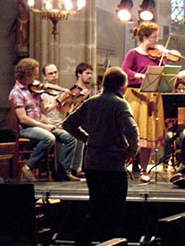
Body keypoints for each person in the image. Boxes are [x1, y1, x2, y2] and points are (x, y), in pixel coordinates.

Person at [63, 67, 139, 244]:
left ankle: (82, 242)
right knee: (115, 209)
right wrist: (132, 151)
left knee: (96, 207)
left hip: (93, 165)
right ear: (122, 86)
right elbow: (132, 130)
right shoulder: (120, 104)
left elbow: (69, 124)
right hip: (113, 165)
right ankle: (110, 241)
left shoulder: (92, 102)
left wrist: (88, 139)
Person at [121, 21, 185, 183]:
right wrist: (141, 76)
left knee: (148, 137)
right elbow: (125, 71)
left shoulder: (157, 57)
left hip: (154, 98)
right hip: (137, 97)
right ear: (144, 37)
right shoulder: (133, 53)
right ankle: (122, 166)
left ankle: (143, 171)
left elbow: (168, 77)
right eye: (154, 37)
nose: (157, 40)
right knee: (134, 135)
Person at [8, 58, 76, 182]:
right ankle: (28, 167)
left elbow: (43, 112)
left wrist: (52, 122)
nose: (36, 78)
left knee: (70, 138)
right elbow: (23, 119)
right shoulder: (17, 92)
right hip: (27, 129)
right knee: (49, 138)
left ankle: (63, 172)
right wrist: (44, 126)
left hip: (39, 125)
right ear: (27, 74)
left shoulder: (33, 90)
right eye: (34, 74)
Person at [41, 63, 80, 181]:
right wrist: (59, 100)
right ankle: (62, 170)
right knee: (69, 137)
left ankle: (74, 169)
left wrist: (71, 102)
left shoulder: (60, 91)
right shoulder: (41, 92)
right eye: (50, 73)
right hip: (47, 124)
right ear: (44, 76)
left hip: (60, 123)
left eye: (55, 72)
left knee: (81, 135)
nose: (54, 75)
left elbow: (63, 111)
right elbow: (42, 111)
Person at [69, 62, 94, 177]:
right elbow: (71, 109)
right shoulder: (74, 90)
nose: (90, 76)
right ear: (79, 74)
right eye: (87, 73)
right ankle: (79, 167)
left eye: (91, 74)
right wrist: (80, 98)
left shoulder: (87, 90)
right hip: (78, 122)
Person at [163, 79, 185, 170]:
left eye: (183, 89)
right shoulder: (171, 102)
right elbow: (166, 119)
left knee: (184, 136)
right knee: (167, 137)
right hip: (172, 128)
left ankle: (183, 161)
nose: (181, 91)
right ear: (175, 90)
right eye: (179, 89)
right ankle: (166, 160)